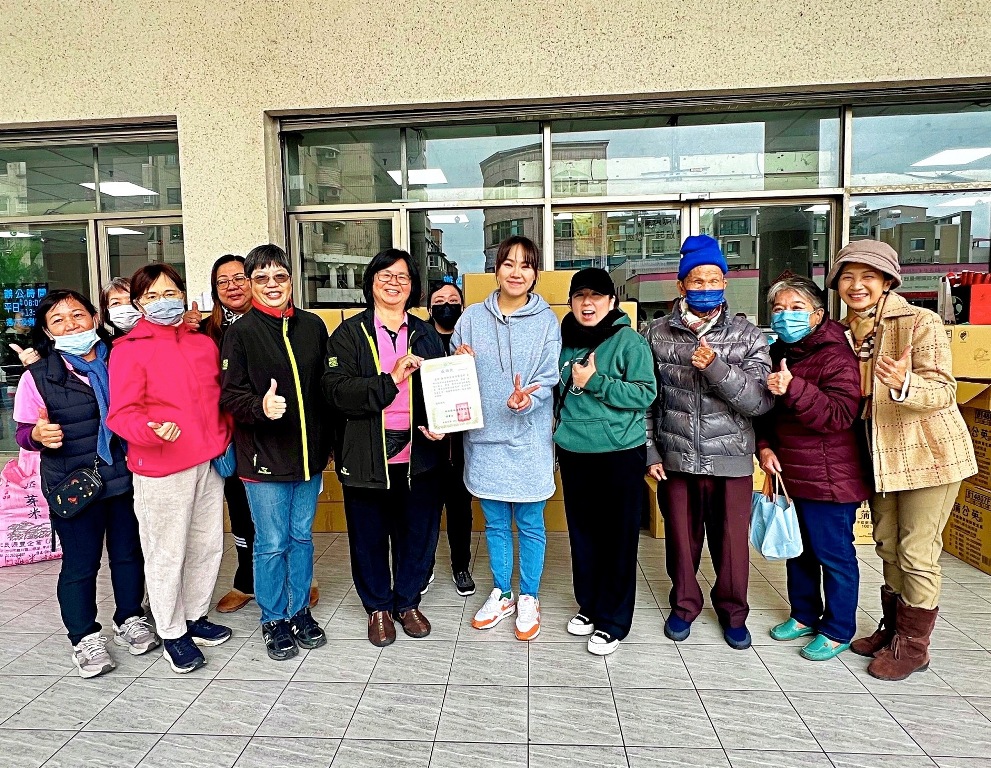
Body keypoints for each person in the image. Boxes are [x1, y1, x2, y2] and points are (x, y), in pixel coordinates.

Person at [827, 240, 977, 681]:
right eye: (848, 277)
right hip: (877, 456)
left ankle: (913, 646)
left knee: (917, 551)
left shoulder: (919, 322)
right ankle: (893, 628)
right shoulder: (840, 331)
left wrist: (904, 383)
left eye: (868, 277)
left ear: (888, 281)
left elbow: (943, 391)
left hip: (928, 454)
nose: (857, 286)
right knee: (887, 544)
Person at [12, 289, 158, 678]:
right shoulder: (38, 377)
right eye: (58, 320)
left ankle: (129, 617)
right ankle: (84, 637)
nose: (71, 325)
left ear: (95, 317)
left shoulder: (121, 359)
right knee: (81, 563)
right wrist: (37, 436)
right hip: (73, 484)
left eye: (78, 315)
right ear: (47, 331)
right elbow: (24, 432)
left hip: (125, 476)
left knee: (128, 554)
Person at [644, 234, 773, 650]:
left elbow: (759, 402)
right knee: (681, 543)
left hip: (731, 458)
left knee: (732, 546)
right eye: (697, 281)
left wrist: (716, 368)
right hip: (676, 457)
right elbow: (647, 400)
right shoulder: (655, 334)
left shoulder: (748, 335)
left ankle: (734, 613)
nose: (705, 288)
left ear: (725, 283)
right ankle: (684, 606)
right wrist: (650, 450)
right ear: (681, 285)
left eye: (713, 280)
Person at [106, 264, 233, 674]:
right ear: (139, 304)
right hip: (160, 467)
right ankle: (172, 631)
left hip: (207, 461)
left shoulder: (202, 344)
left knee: (206, 545)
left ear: (183, 294)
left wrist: (223, 436)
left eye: (170, 293)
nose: (163, 302)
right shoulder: (129, 349)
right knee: (166, 553)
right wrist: (150, 430)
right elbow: (120, 414)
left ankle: (194, 616)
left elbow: (217, 399)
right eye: (152, 296)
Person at [322, 248, 447, 647]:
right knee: (369, 536)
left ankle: (407, 602)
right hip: (365, 455)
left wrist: (442, 424)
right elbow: (337, 392)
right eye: (385, 275)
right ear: (371, 282)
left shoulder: (426, 333)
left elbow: (441, 389)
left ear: (413, 287)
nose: (394, 283)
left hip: (420, 454)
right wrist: (389, 380)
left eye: (403, 277)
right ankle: (378, 607)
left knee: (418, 534)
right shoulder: (349, 333)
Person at [220, 244, 332, 660]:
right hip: (262, 459)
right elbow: (229, 397)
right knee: (271, 542)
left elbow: (325, 391)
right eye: (261, 278)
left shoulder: (312, 326)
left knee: (301, 538)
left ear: (291, 280)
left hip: (308, 460)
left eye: (279, 276)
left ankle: (299, 610)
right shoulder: (241, 333)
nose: (272, 284)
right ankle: (273, 618)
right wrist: (260, 407)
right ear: (250, 284)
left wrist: (327, 446)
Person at [755, 276, 871, 661]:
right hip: (791, 472)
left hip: (830, 479)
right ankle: (804, 614)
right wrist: (764, 447)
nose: (785, 316)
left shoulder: (836, 355)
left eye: (796, 308)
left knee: (833, 555)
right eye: (778, 309)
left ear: (818, 315)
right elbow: (765, 413)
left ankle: (838, 629)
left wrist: (794, 388)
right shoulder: (778, 352)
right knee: (799, 551)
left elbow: (839, 415)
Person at [454, 236, 561, 641]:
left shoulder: (546, 321)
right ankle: (502, 594)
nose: (517, 272)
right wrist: (458, 360)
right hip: (484, 441)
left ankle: (529, 595)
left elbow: (549, 378)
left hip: (529, 441)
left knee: (531, 523)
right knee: (496, 523)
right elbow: (456, 376)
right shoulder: (470, 318)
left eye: (526, 265)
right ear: (496, 270)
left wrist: (526, 400)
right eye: (509, 263)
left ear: (535, 274)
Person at [554, 268, 656, 655]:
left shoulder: (629, 341)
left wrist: (596, 381)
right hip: (574, 451)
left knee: (618, 538)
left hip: (618, 454)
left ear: (612, 301)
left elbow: (645, 393)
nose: (587, 303)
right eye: (580, 295)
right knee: (583, 535)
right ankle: (590, 605)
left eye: (596, 296)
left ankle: (614, 620)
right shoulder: (562, 340)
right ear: (571, 301)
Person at [201, 254, 257, 614]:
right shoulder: (205, 331)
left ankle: (300, 577)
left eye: (239, 278)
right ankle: (246, 580)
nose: (232, 286)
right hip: (227, 438)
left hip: (270, 433)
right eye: (223, 281)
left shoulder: (275, 322)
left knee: (283, 514)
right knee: (239, 509)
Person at [426, 280, 475, 596]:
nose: (447, 305)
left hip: (461, 443)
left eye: (453, 300)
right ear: (429, 308)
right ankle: (424, 566)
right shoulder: (418, 338)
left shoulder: (470, 339)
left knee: (460, 509)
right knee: (425, 510)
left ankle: (461, 566)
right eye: (440, 300)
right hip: (426, 442)